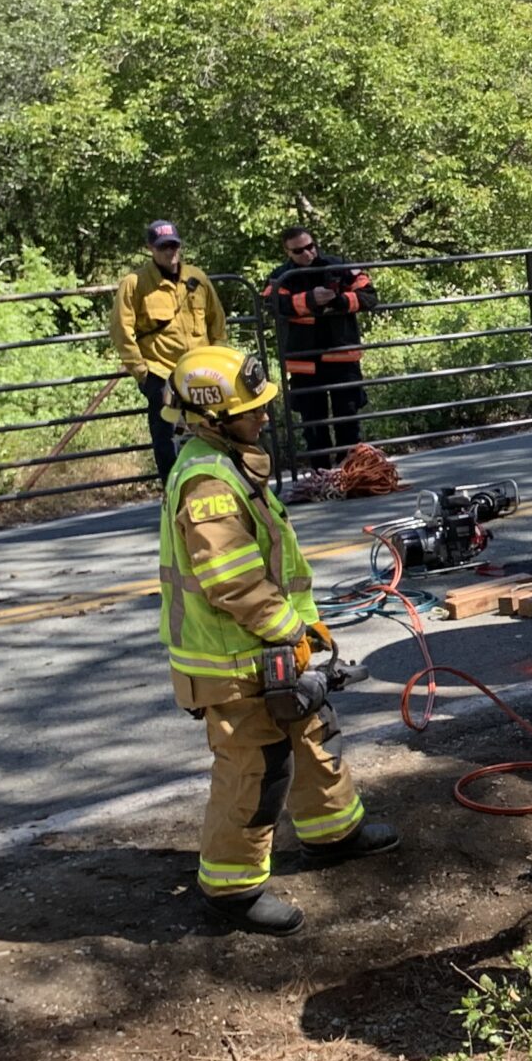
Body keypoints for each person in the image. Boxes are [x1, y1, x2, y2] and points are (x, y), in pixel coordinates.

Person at [157, 344, 397, 935]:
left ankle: (333, 834)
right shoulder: (207, 484)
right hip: (232, 661)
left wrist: (303, 642)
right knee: (254, 772)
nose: (265, 416)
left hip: (270, 647)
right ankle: (231, 891)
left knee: (314, 733)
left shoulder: (234, 461)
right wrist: (293, 631)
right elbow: (232, 580)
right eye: (253, 410)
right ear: (212, 418)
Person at [110, 219, 228, 481]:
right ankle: (173, 490)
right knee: (166, 436)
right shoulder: (135, 283)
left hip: (200, 369)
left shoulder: (196, 278)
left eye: (173, 245)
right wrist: (142, 372)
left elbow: (216, 320)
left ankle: (217, 481)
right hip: (160, 370)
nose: (170, 251)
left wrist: (217, 358)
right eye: (163, 247)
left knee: (213, 428)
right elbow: (121, 329)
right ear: (150, 248)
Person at [261, 226, 379, 459]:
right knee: (313, 425)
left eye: (310, 247)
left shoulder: (340, 266)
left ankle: (352, 472)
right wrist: (310, 300)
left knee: (348, 420)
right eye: (298, 251)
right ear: (288, 252)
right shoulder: (281, 276)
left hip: (342, 356)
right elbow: (270, 304)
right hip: (305, 362)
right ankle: (321, 475)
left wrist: (340, 300)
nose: (307, 254)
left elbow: (370, 296)